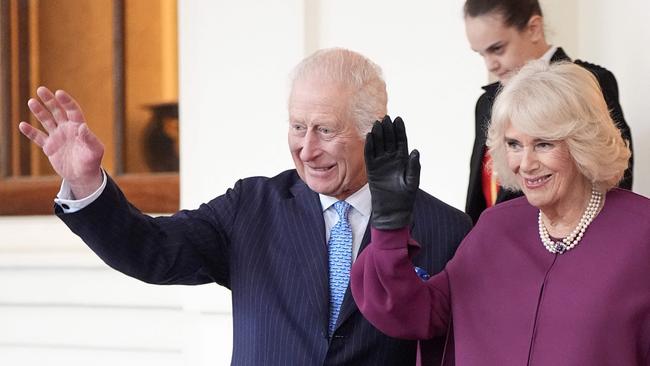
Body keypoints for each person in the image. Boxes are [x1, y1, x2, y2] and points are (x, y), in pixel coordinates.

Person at [18, 48, 472, 365]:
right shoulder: (251, 206)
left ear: (373, 131)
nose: (306, 150)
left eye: (325, 130)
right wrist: (85, 182)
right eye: (297, 127)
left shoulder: (447, 230)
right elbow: (152, 252)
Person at [351, 61, 650, 365]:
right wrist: (389, 228)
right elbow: (417, 313)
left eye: (544, 144)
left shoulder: (642, 234)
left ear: (581, 143)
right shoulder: (495, 228)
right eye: (514, 144)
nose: (526, 163)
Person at [463, 0, 634, 224]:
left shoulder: (588, 83)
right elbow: (481, 193)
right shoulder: (487, 101)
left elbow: (613, 178)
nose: (490, 65)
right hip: (496, 241)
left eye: (497, 49)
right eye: (481, 54)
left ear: (534, 28)